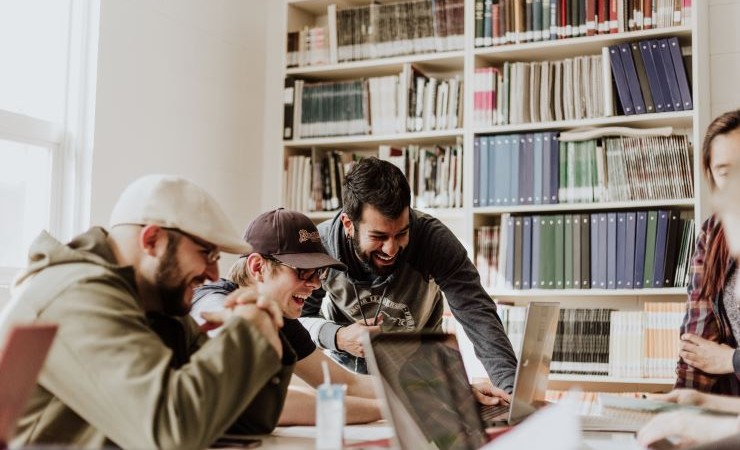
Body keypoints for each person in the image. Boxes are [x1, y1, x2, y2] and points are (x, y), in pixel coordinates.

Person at [0, 174, 293, 449]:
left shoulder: (157, 304)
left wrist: (264, 332)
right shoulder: (77, 296)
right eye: (207, 253)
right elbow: (170, 433)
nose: (215, 275)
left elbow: (243, 422)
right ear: (152, 240)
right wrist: (246, 334)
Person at [299, 157, 518, 396]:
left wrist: (511, 393)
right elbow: (299, 320)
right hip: (349, 381)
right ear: (348, 224)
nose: (391, 249)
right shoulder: (320, 248)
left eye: (401, 233)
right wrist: (337, 336)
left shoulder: (434, 240)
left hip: (422, 377)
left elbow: (478, 314)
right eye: (379, 237)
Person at [190, 208, 382, 425]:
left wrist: (414, 392)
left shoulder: (280, 318)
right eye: (303, 271)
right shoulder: (211, 301)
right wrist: (387, 410)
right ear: (258, 267)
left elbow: (345, 383)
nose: (316, 284)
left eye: (318, 273)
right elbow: (264, 401)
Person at [675, 109, 740, 395]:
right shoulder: (714, 233)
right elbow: (697, 343)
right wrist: (681, 403)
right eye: (726, 172)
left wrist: (730, 359)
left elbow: (718, 357)